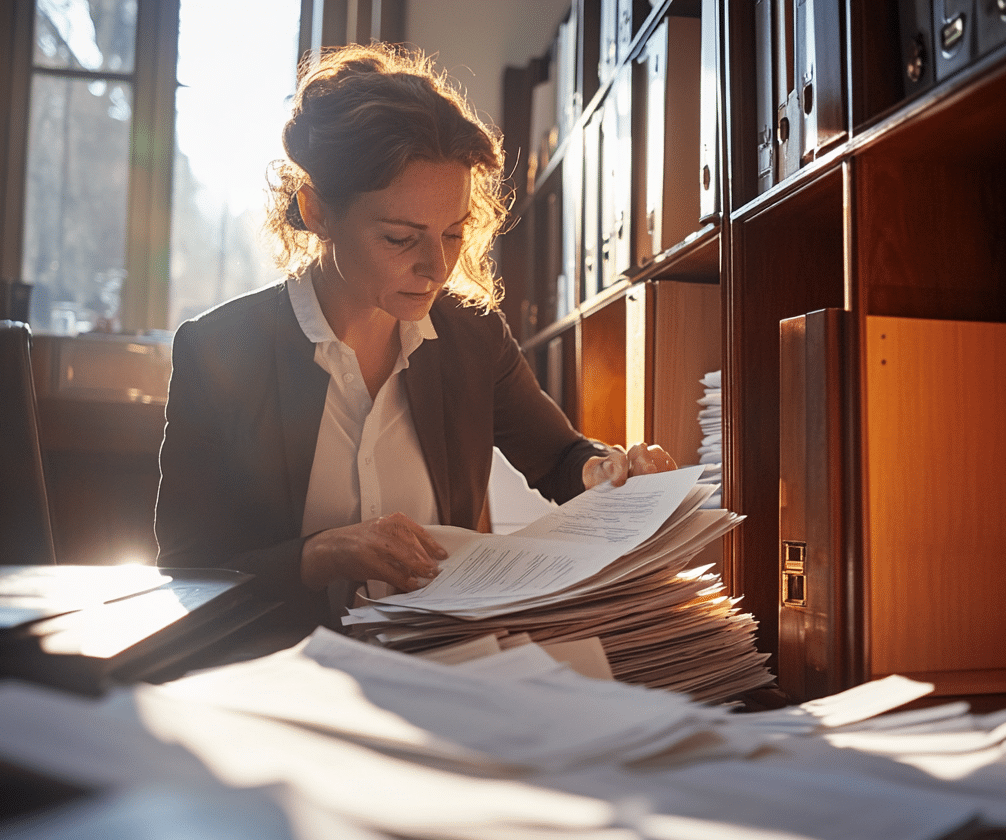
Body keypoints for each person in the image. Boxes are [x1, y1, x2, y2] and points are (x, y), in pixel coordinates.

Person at [155, 43, 674, 629]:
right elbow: (186, 568)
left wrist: (605, 471)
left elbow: (560, 458)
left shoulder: (473, 338)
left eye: (453, 233)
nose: (437, 267)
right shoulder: (219, 351)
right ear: (318, 211)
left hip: (445, 667)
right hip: (279, 676)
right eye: (401, 237)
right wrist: (318, 555)